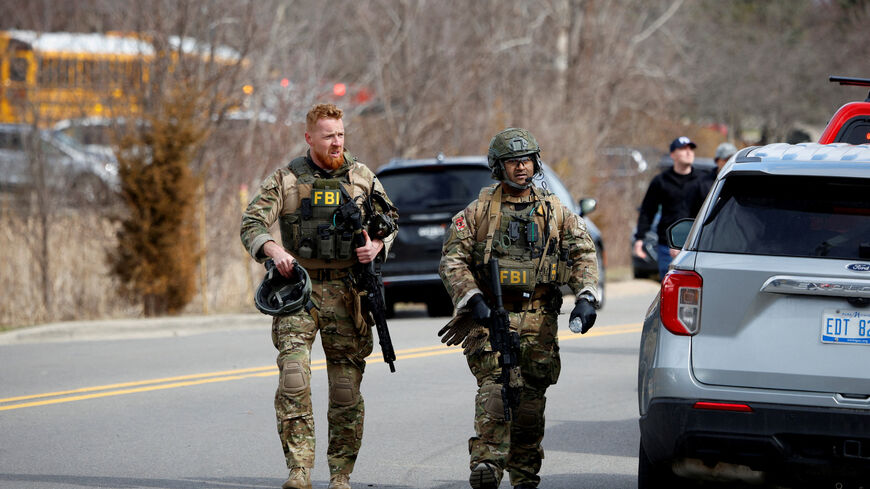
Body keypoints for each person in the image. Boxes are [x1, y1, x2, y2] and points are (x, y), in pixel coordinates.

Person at [240, 103, 398, 489]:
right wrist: (274, 251)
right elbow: (252, 222)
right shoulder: (287, 179)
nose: (336, 142)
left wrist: (377, 245)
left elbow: (391, 220)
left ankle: (340, 474)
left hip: (348, 291)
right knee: (293, 375)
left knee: (345, 388)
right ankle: (299, 468)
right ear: (309, 137)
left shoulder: (362, 177)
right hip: (300, 289)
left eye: (341, 134)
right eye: (328, 135)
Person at [437, 127, 600, 489]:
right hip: (492, 318)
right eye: (512, 162)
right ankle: (487, 465)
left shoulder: (555, 211)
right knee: (496, 389)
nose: (521, 168)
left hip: (540, 319)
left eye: (526, 160)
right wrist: (471, 298)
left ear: (536, 162)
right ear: (499, 167)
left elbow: (582, 254)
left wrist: (586, 296)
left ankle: (525, 477)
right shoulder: (478, 212)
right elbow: (452, 260)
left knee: (529, 405)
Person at [633, 136, 707, 281]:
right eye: (683, 149)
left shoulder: (703, 181)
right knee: (669, 287)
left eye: (691, 149)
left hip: (697, 245)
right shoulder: (660, 181)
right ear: (673, 154)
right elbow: (647, 210)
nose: (689, 152)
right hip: (666, 246)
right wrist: (640, 239)